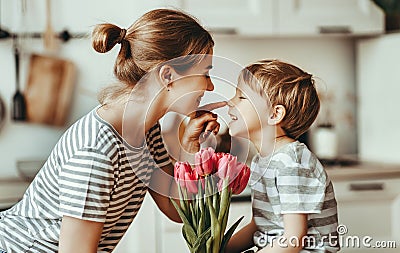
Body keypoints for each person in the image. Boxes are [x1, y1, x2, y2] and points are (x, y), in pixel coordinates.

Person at [0, 8, 226, 252]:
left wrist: (190, 149)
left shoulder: (146, 132)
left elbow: (177, 209)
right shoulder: (97, 150)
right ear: (168, 75)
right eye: (205, 74)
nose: (210, 85)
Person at [225, 60, 340, 253]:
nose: (230, 102)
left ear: (274, 114)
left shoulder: (291, 162)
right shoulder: (262, 162)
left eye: (241, 97)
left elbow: (293, 239)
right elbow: (259, 226)